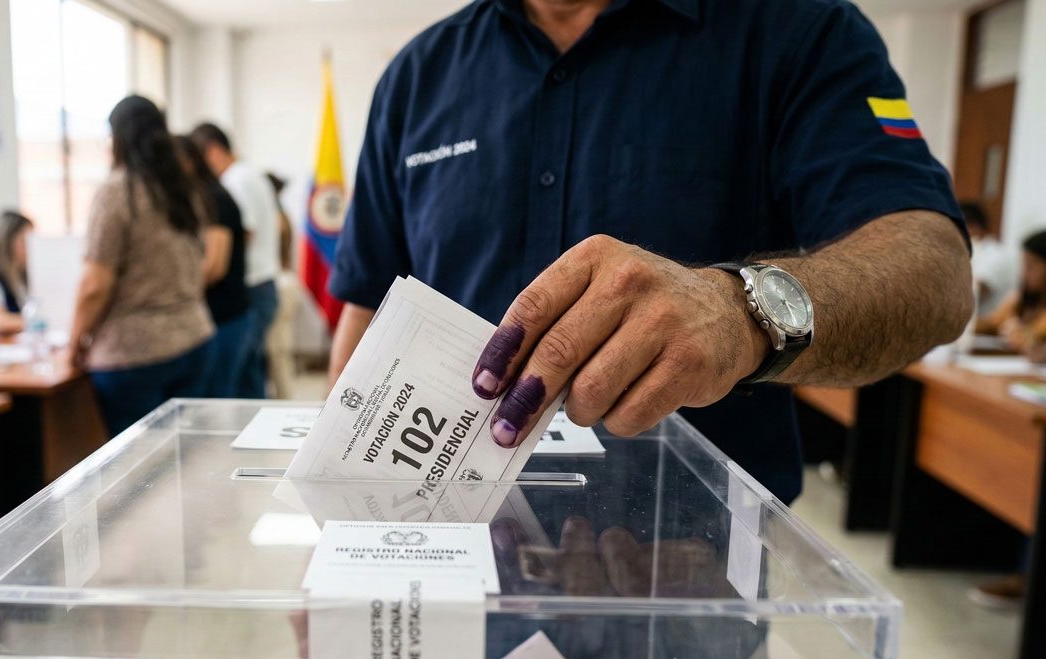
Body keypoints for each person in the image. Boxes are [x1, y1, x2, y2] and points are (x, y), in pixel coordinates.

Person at [329, 0, 971, 506]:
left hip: (689, 569)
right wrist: (334, 523)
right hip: (446, 547)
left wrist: (740, 313)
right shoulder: (418, 76)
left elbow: (935, 268)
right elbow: (367, 309)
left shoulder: (797, 31)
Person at [69, 96, 215, 436]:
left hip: (133, 352)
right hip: (193, 336)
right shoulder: (183, 188)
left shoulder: (117, 192)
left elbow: (95, 284)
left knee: (138, 472)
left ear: (117, 137)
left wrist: (75, 341)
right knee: (184, 456)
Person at [189, 122, 279, 399]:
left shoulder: (235, 181)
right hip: (262, 284)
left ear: (214, 151)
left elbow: (244, 234)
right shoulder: (251, 174)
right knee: (249, 377)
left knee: (233, 383)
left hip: (250, 287)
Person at [175, 134, 252, 398]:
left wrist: (174, 294)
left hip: (225, 314)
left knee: (220, 398)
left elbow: (214, 267)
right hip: (227, 311)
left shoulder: (212, 198)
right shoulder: (207, 195)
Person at [975, 231, 1046, 361]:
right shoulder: (1022, 297)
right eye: (1024, 266)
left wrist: (1025, 337)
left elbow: (1036, 340)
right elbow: (992, 323)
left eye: (1032, 267)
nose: (1024, 274)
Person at [265, 172, 299, 399]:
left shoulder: (276, 217)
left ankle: (285, 400)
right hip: (286, 282)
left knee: (279, 351)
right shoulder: (280, 213)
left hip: (281, 284)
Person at [964, 201, 1016, 318]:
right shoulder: (975, 251)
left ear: (974, 227)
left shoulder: (996, 254)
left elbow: (974, 292)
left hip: (989, 330)